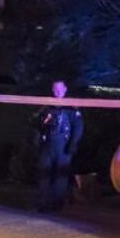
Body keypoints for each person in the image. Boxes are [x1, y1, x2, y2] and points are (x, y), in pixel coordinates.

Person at [32, 79, 84, 212]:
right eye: (55, 89)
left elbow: (78, 126)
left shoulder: (71, 108)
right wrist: (40, 130)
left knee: (60, 176)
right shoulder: (46, 106)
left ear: (65, 89)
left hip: (63, 145)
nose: (58, 92)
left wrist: (73, 143)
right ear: (52, 89)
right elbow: (35, 122)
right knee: (44, 174)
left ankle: (57, 205)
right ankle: (42, 204)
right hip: (47, 144)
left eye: (60, 89)